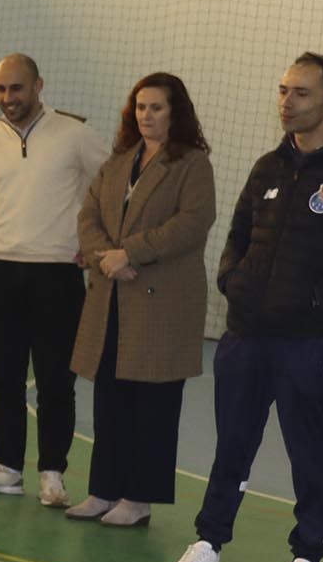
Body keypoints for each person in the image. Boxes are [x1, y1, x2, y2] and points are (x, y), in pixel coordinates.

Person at [166, 54, 323, 562]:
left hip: (310, 343)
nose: (286, 102)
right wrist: (233, 280)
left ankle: (307, 560)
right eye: (282, 90)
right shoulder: (266, 168)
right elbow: (238, 235)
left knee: (310, 452)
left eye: (299, 93)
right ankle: (208, 542)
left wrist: (320, 296)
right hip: (246, 336)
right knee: (233, 446)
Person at [64, 73, 214, 526]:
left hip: (162, 303)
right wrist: (105, 258)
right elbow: (89, 214)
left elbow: (193, 222)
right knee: (110, 398)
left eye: (156, 108)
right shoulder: (118, 162)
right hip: (112, 298)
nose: (146, 116)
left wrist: (132, 253)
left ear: (176, 113)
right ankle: (104, 490)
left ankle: (139, 498)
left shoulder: (192, 164)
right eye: (140, 107)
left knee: (154, 404)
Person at [0, 54, 108, 505]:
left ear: (39, 86)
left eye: (16, 89)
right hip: (2, 273)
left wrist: (94, 242)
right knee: (3, 377)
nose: (8, 99)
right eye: (1, 90)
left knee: (55, 381)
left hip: (58, 277)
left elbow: (111, 185)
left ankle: (52, 473)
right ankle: (7, 466)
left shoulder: (74, 134)